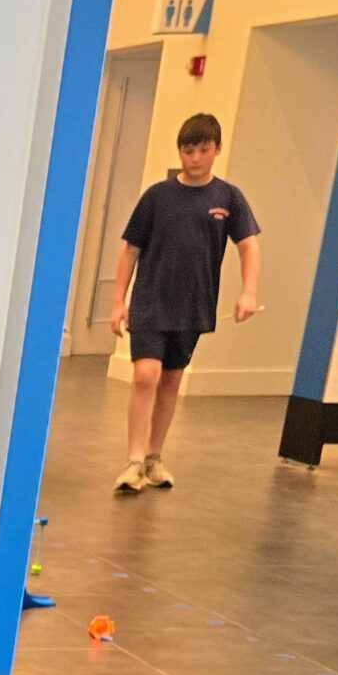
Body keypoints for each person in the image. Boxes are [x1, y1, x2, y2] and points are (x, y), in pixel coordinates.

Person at [109, 112, 261, 494]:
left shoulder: (228, 197)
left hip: (193, 305)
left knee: (171, 380)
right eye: (187, 150)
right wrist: (118, 301)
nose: (194, 158)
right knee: (146, 375)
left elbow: (248, 246)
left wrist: (248, 292)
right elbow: (130, 250)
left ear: (216, 150)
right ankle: (132, 460)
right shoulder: (157, 197)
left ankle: (153, 458)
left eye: (203, 150)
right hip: (150, 302)